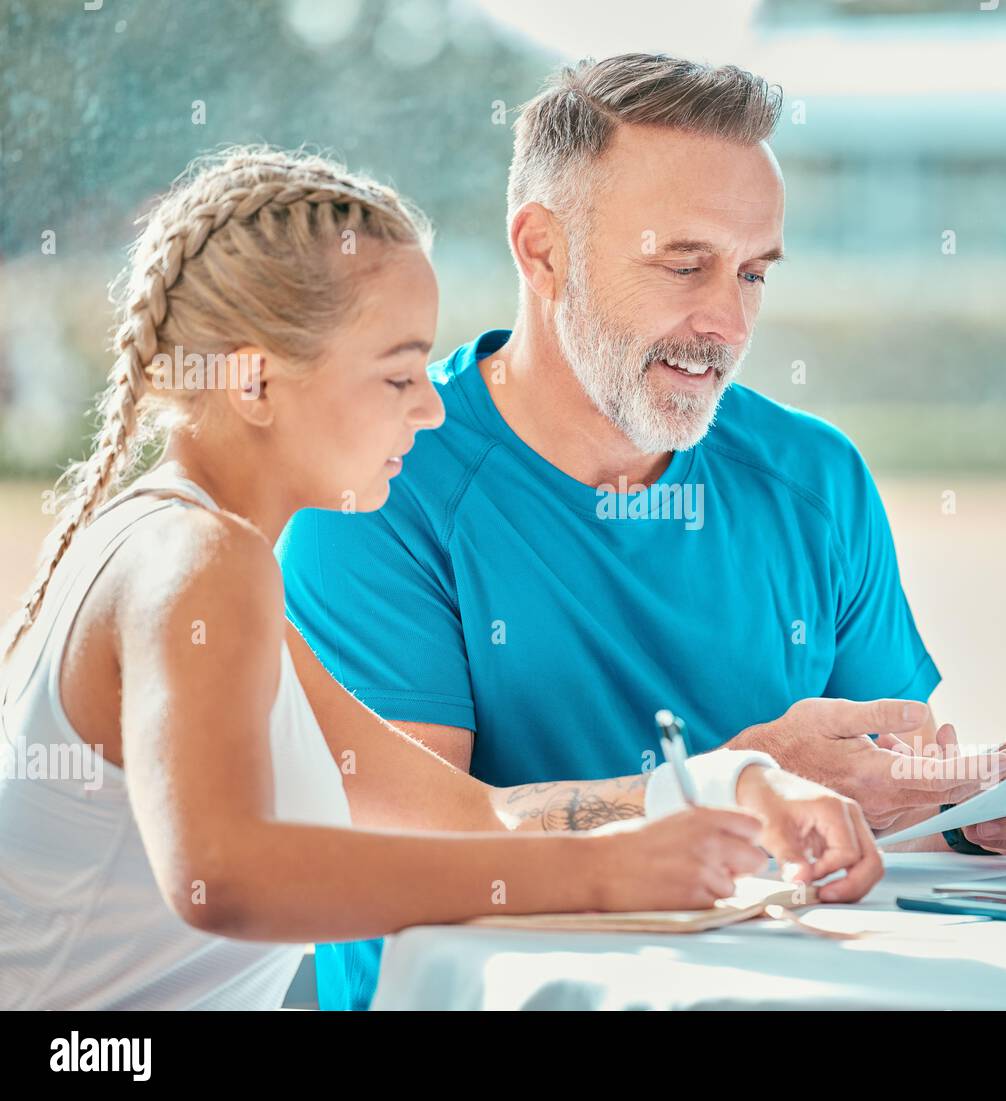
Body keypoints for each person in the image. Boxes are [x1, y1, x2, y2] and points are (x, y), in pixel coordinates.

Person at [279, 53, 1006, 1012]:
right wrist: (744, 780)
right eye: (684, 264)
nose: (726, 321)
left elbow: (872, 805)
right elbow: (413, 844)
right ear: (543, 250)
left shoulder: (814, 479)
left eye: (755, 272)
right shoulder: (381, 487)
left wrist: (978, 809)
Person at [0, 147, 887, 1011]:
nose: (430, 408)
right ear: (255, 382)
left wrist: (727, 783)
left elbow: (468, 814)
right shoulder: (197, 561)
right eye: (396, 373)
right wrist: (601, 874)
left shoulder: (206, 559)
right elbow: (219, 876)